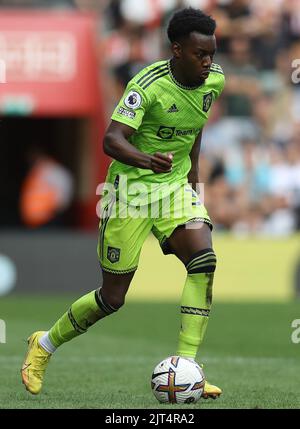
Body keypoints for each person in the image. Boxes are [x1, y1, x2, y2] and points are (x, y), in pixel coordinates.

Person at [21, 7, 225, 399]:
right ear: (177, 50)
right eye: (200, 54)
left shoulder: (213, 80)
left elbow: (194, 127)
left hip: (172, 188)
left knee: (204, 260)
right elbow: (111, 140)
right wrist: (148, 159)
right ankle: (44, 344)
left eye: (212, 54)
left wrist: (193, 181)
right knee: (112, 298)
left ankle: (187, 367)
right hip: (128, 192)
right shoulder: (146, 86)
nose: (208, 62)